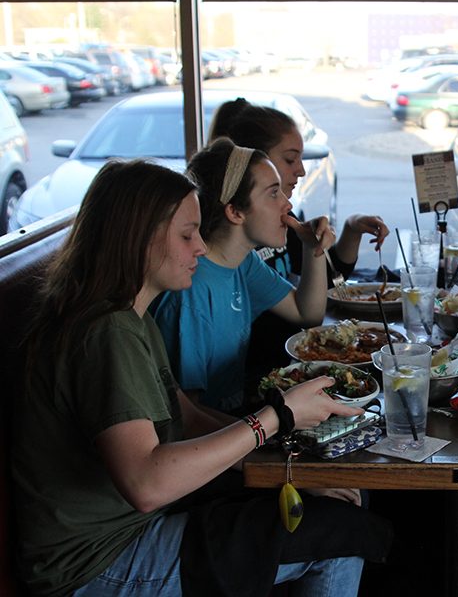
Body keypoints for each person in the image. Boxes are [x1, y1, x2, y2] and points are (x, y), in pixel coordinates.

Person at [11, 159, 391, 596]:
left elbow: (186, 414)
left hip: (137, 523)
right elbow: (147, 485)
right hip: (96, 561)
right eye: (187, 235)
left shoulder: (129, 315)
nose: (199, 248)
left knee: (340, 504)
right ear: (137, 238)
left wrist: (288, 470)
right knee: (339, 536)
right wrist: (278, 417)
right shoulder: (104, 332)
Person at [207, 97, 389, 381]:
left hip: (275, 378)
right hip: (267, 373)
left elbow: (318, 298)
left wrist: (335, 237)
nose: (302, 170)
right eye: (290, 159)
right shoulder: (207, 273)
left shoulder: (246, 260)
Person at [154, 137, 336, 419]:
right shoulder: (192, 291)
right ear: (235, 212)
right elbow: (186, 418)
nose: (287, 204)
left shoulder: (242, 261)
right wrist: (261, 444)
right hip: (217, 440)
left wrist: (314, 249)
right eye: (273, 193)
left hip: (238, 422)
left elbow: (306, 313)